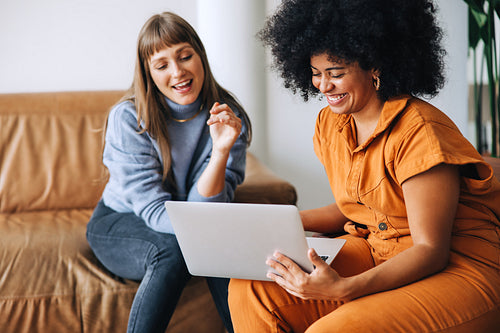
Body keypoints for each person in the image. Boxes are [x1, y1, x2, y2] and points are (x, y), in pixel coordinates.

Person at [228, 0, 500, 332]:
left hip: (457, 267)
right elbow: (359, 208)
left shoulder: (420, 132)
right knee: (252, 287)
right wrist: (282, 222)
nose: (323, 86)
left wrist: (344, 288)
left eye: (336, 73)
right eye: (316, 74)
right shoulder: (331, 124)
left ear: (375, 66)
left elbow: (431, 250)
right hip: (377, 249)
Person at [86, 12, 251, 333]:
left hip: (190, 220)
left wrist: (220, 153)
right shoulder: (129, 118)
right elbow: (153, 211)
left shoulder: (230, 118)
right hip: (120, 221)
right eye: (162, 65)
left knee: (221, 249)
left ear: (200, 57)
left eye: (185, 56)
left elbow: (211, 214)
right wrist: (202, 232)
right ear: (149, 74)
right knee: (176, 250)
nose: (178, 72)